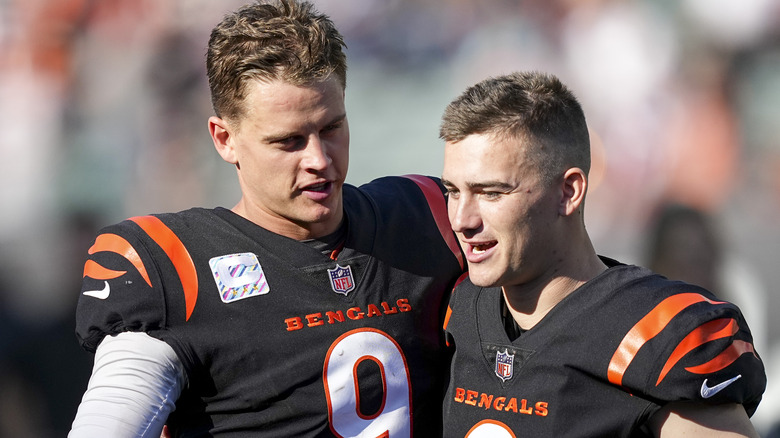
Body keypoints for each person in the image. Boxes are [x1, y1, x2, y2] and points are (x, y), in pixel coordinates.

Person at [69, 1, 464, 436]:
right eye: (288, 141)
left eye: (331, 128)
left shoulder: (426, 213)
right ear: (225, 139)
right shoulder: (176, 267)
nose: (318, 159)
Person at [439, 71, 766, 437]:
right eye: (453, 190)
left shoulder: (655, 335)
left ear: (569, 191)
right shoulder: (458, 307)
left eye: (491, 193)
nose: (461, 219)